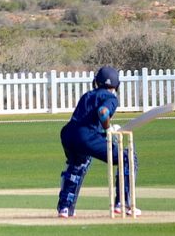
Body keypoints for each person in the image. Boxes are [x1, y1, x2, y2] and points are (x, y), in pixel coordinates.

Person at [56, 65, 137, 218]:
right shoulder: (111, 97)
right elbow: (103, 112)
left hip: (68, 135)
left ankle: (64, 208)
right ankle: (122, 203)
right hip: (87, 136)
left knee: (76, 166)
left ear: (96, 82)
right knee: (127, 157)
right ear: (116, 85)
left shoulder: (87, 95)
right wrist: (108, 129)